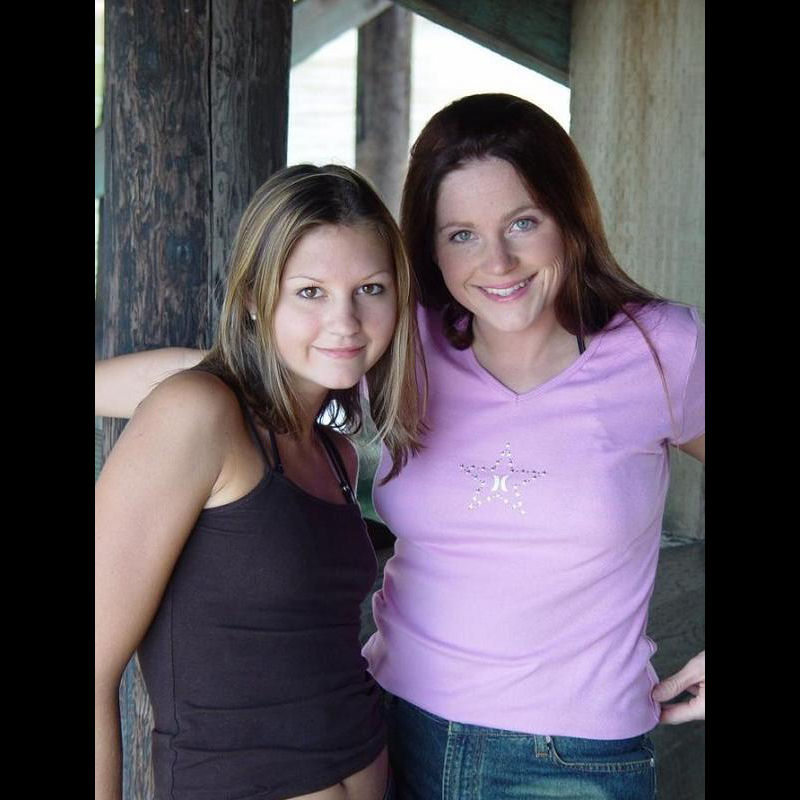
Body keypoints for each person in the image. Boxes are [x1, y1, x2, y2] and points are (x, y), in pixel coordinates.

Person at [96, 94, 705, 800]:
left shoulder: (659, 349)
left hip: (566, 758)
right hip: (392, 727)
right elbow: (231, 372)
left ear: (570, 216)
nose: (498, 262)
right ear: (431, 248)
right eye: (461, 234)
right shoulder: (407, 336)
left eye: (524, 222)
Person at [95, 164, 423, 800]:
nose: (346, 320)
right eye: (310, 292)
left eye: (370, 288)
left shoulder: (335, 454)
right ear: (252, 296)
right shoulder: (197, 414)